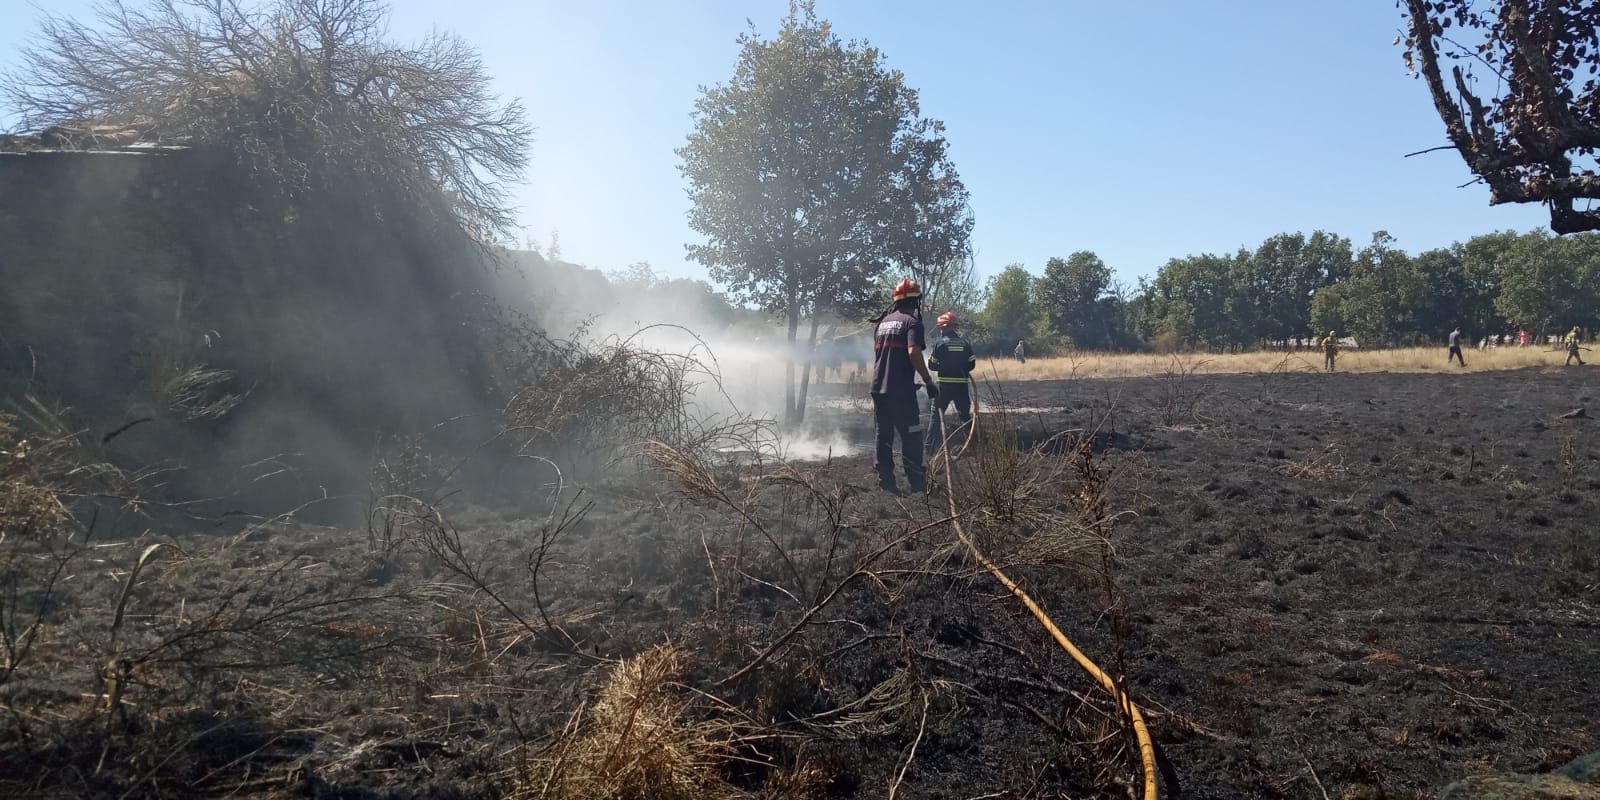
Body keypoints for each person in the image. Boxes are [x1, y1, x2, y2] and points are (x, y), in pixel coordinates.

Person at [871, 279, 937, 494]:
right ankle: (916, 482)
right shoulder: (912, 322)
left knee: (884, 435)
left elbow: (886, 357)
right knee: (912, 434)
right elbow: (913, 351)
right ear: (915, 301)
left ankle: (886, 483)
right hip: (900, 392)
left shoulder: (883, 323)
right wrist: (928, 381)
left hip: (879, 388)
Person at [926, 312, 977, 456]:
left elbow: (932, 365)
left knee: (936, 417)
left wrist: (944, 367)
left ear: (944, 327)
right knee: (965, 416)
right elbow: (972, 364)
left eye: (941, 328)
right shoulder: (965, 343)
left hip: (943, 387)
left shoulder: (940, 344)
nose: (940, 330)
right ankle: (972, 446)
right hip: (961, 386)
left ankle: (929, 449)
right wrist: (959, 368)